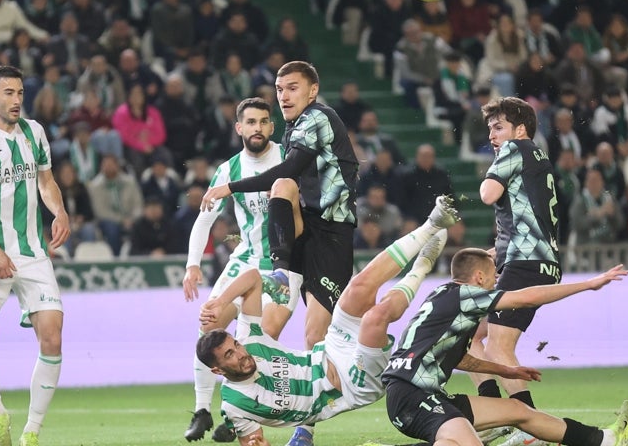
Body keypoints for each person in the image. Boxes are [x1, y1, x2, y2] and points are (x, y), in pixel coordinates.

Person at [196, 197, 475, 446]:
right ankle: (423, 266)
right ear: (219, 371)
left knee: (357, 290)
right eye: (230, 354)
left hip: (332, 348)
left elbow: (253, 279)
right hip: (351, 385)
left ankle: (430, 225)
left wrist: (221, 301)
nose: (241, 353)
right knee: (379, 314)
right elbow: (253, 441)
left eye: (236, 345)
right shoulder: (235, 406)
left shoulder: (251, 341)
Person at [200, 61, 360, 445]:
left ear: (312, 91)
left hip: (332, 236)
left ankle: (306, 426)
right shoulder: (293, 127)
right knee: (262, 334)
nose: (284, 95)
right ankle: (281, 271)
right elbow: (287, 177)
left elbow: (287, 167)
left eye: (292, 88)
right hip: (306, 226)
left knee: (313, 333)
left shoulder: (318, 118)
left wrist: (230, 187)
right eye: (279, 88)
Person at [382, 248, 628, 446]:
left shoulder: (445, 296)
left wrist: (507, 371)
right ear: (479, 277)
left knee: (518, 410)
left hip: (420, 394)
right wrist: (589, 284)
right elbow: (526, 298)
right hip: (412, 397)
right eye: (494, 274)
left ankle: (604, 439)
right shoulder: (466, 296)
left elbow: (460, 360)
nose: (497, 281)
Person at [0, 66, 70, 446]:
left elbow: (45, 180)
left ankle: (32, 432)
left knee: (53, 337)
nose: (17, 99)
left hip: (33, 253)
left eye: (20, 92)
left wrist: (59, 211)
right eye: (8, 93)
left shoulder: (34, 132)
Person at [181, 97, 298, 443]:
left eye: (263, 121)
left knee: (260, 341)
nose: (257, 128)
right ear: (239, 128)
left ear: (271, 127)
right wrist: (192, 266)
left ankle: (238, 416)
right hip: (245, 260)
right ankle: (202, 410)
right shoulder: (229, 169)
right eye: (250, 122)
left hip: (284, 266)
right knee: (209, 325)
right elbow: (204, 220)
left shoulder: (289, 159)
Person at [473, 96, 564, 446]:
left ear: (520, 129)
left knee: (498, 345)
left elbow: (486, 193)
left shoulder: (515, 150)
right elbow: (529, 215)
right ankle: (496, 413)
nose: (493, 136)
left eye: (499, 128)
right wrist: (500, 250)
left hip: (526, 264)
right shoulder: (538, 157)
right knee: (468, 331)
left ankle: (529, 428)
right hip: (533, 260)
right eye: (490, 129)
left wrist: (492, 170)